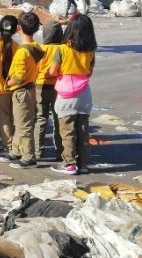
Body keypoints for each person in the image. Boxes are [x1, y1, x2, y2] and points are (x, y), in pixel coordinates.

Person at [50, 14, 97, 175]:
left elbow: (52, 71)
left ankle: (69, 163)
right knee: (83, 131)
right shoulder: (90, 51)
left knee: (67, 131)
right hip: (84, 93)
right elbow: (89, 72)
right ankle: (83, 164)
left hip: (66, 95)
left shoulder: (61, 50)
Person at [3, 12, 44, 169]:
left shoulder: (22, 51)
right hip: (30, 87)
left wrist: (8, 83)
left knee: (24, 124)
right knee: (20, 122)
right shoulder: (36, 47)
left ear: (18, 28)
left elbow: (19, 76)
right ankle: (16, 150)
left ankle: (28, 155)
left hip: (21, 90)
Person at [0, 15, 18, 157]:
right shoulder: (17, 46)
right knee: (12, 116)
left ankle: (8, 144)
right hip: (14, 86)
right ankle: (15, 143)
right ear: (16, 30)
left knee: (3, 118)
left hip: (0, 87)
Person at [35, 20, 64, 161]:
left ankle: (37, 151)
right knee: (58, 119)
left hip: (41, 86)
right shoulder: (63, 49)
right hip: (59, 86)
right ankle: (60, 151)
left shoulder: (41, 49)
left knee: (41, 118)